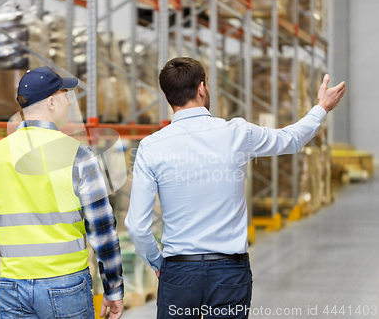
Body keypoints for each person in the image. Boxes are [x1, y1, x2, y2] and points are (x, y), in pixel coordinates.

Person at [124, 57, 345, 319]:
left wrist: (160, 264)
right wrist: (321, 108)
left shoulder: (151, 147)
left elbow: (137, 226)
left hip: (179, 273)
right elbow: (292, 139)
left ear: (166, 96)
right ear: (202, 88)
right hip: (229, 273)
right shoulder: (237, 133)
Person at [0, 67, 124, 319]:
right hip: (66, 285)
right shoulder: (78, 155)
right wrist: (113, 288)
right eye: (64, 95)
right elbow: (102, 230)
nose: (69, 102)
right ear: (51, 102)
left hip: (12, 286)